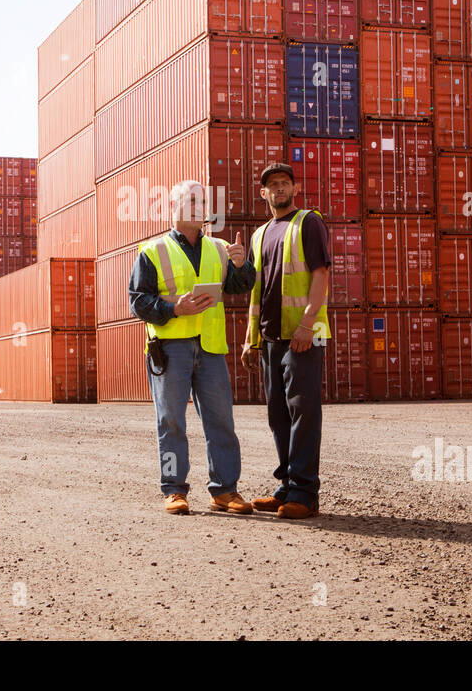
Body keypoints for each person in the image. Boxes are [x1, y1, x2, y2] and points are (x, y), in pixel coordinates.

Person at [128, 179, 256, 515]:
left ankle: (225, 490)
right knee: (171, 420)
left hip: (211, 348)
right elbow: (138, 301)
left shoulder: (219, 248)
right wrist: (173, 309)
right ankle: (173, 489)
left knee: (221, 421)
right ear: (173, 207)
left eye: (204, 200)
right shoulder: (152, 251)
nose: (201, 206)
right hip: (170, 348)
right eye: (192, 200)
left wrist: (242, 265)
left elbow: (240, 286)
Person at [240, 162, 331, 520]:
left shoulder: (308, 222)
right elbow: (256, 293)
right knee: (278, 415)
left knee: (303, 414)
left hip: (303, 336)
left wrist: (307, 324)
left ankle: (305, 493)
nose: (278, 189)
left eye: (284, 183)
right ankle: (287, 484)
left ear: (294, 188)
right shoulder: (260, 234)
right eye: (272, 185)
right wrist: (252, 340)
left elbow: (321, 274)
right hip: (271, 338)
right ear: (262, 193)